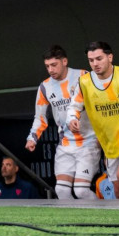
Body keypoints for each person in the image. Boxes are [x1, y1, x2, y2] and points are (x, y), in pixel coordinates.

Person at [25, 46, 100, 199]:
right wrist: (32, 138)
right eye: (47, 66)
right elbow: (40, 118)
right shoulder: (45, 87)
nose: (50, 70)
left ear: (64, 61)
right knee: (61, 190)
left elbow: (100, 104)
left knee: (81, 190)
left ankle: (102, 218)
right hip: (65, 144)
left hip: (89, 141)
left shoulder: (84, 76)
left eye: (54, 65)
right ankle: (76, 222)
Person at [68, 42, 119, 199]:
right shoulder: (84, 83)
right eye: (91, 60)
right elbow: (74, 105)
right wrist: (73, 117)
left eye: (99, 58)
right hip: (110, 144)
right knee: (118, 187)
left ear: (110, 57)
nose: (95, 63)